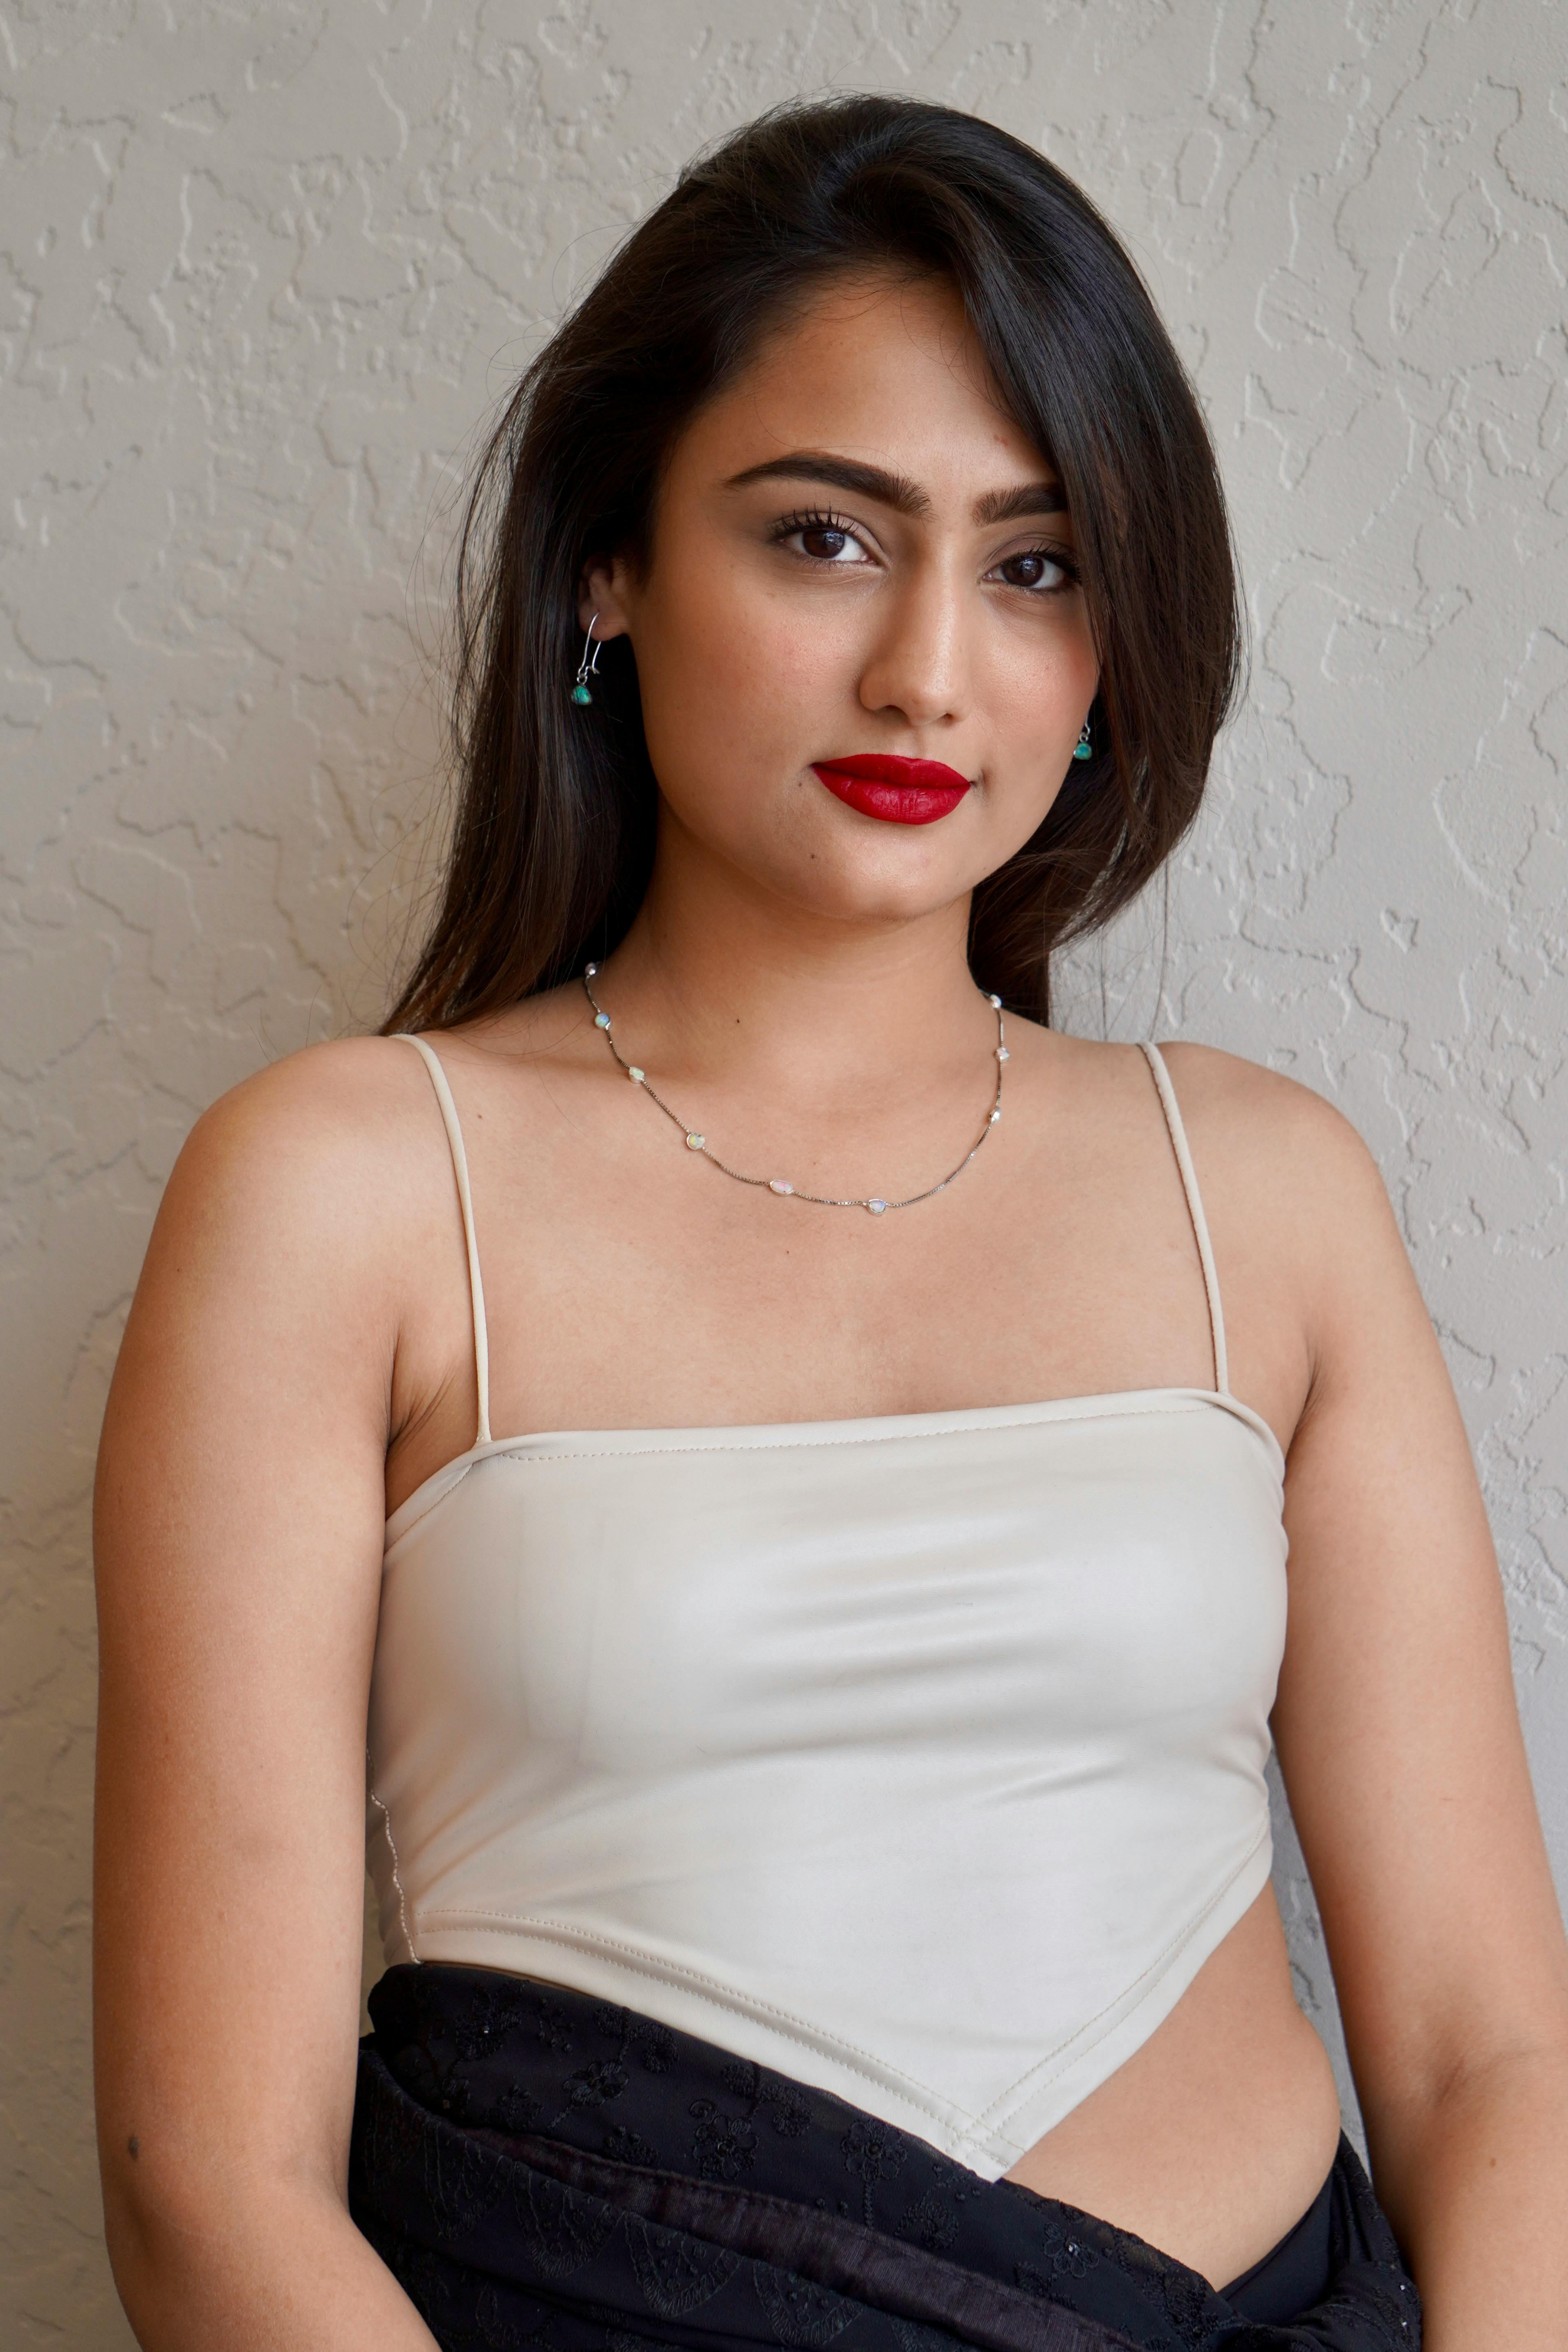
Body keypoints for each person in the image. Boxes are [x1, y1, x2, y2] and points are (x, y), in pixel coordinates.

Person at [92, 95, 1568, 2352]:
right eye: (823, 539)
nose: (928, 674)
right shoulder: (349, 1189)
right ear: (612, 565)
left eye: (1037, 562)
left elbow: (1489, 2054)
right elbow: (211, 2179)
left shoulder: (1260, 1187)